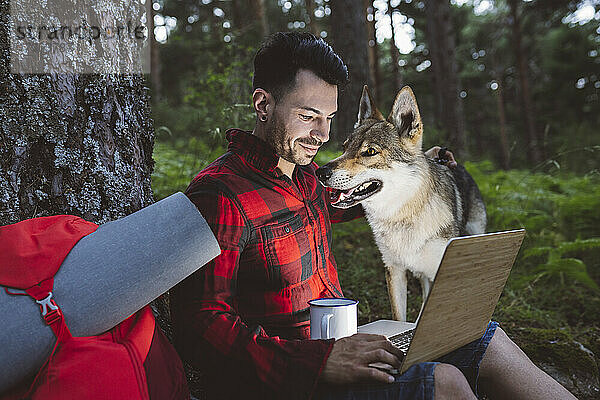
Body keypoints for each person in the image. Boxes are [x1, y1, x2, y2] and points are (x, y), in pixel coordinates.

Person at [170, 32, 576, 400]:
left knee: (484, 336)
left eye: (329, 118)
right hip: (294, 379)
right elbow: (200, 326)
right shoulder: (222, 194)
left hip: (347, 345)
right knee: (445, 382)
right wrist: (318, 362)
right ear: (263, 104)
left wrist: (418, 164)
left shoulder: (305, 177)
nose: (323, 135)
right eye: (309, 115)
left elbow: (367, 190)